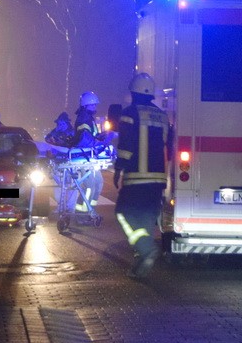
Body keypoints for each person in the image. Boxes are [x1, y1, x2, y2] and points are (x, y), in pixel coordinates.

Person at [113, 73, 171, 280]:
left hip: (136, 177)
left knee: (123, 213)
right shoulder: (162, 116)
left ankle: (146, 249)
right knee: (146, 218)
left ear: (134, 93)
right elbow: (168, 145)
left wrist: (119, 168)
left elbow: (126, 146)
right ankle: (142, 262)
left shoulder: (130, 113)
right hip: (158, 179)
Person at [70, 91, 113, 212]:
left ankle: (90, 210)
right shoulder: (84, 118)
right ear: (85, 105)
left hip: (90, 156)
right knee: (89, 186)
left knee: (98, 184)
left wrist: (101, 136)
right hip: (85, 156)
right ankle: (81, 213)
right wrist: (101, 141)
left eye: (95, 105)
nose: (95, 107)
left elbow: (91, 136)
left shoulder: (88, 118)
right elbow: (85, 139)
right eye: (92, 105)